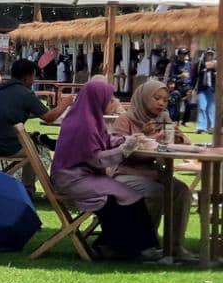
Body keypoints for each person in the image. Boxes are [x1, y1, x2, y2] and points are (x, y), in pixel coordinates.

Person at [51, 79, 160, 260]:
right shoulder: (82, 125)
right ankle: (129, 247)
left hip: (84, 175)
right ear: (97, 100)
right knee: (121, 197)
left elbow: (106, 141)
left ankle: (130, 245)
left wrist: (129, 140)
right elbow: (96, 159)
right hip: (72, 178)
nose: (113, 103)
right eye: (110, 100)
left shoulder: (90, 118)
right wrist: (124, 150)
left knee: (129, 195)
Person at [111, 80, 193, 259]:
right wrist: (145, 134)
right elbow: (122, 154)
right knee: (155, 191)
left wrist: (179, 138)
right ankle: (147, 244)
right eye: (157, 98)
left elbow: (182, 144)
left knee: (182, 191)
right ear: (143, 98)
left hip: (154, 171)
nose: (162, 103)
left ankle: (175, 245)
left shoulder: (163, 118)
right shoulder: (125, 120)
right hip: (125, 172)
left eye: (165, 100)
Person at [0, 59, 71, 159]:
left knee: (29, 138)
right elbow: (49, 117)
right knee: (36, 151)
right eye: (33, 77)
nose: (33, 81)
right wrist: (65, 103)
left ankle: (37, 139)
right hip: (4, 147)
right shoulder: (25, 93)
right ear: (26, 77)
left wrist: (36, 113)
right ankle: (31, 174)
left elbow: (6, 111)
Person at [193, 49, 216, 134]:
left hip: (212, 89)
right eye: (208, 54)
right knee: (202, 107)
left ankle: (211, 127)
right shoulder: (199, 64)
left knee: (211, 108)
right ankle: (201, 127)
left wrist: (215, 71)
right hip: (202, 88)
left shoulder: (217, 64)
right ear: (205, 55)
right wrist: (192, 88)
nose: (209, 56)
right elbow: (194, 76)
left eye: (211, 54)